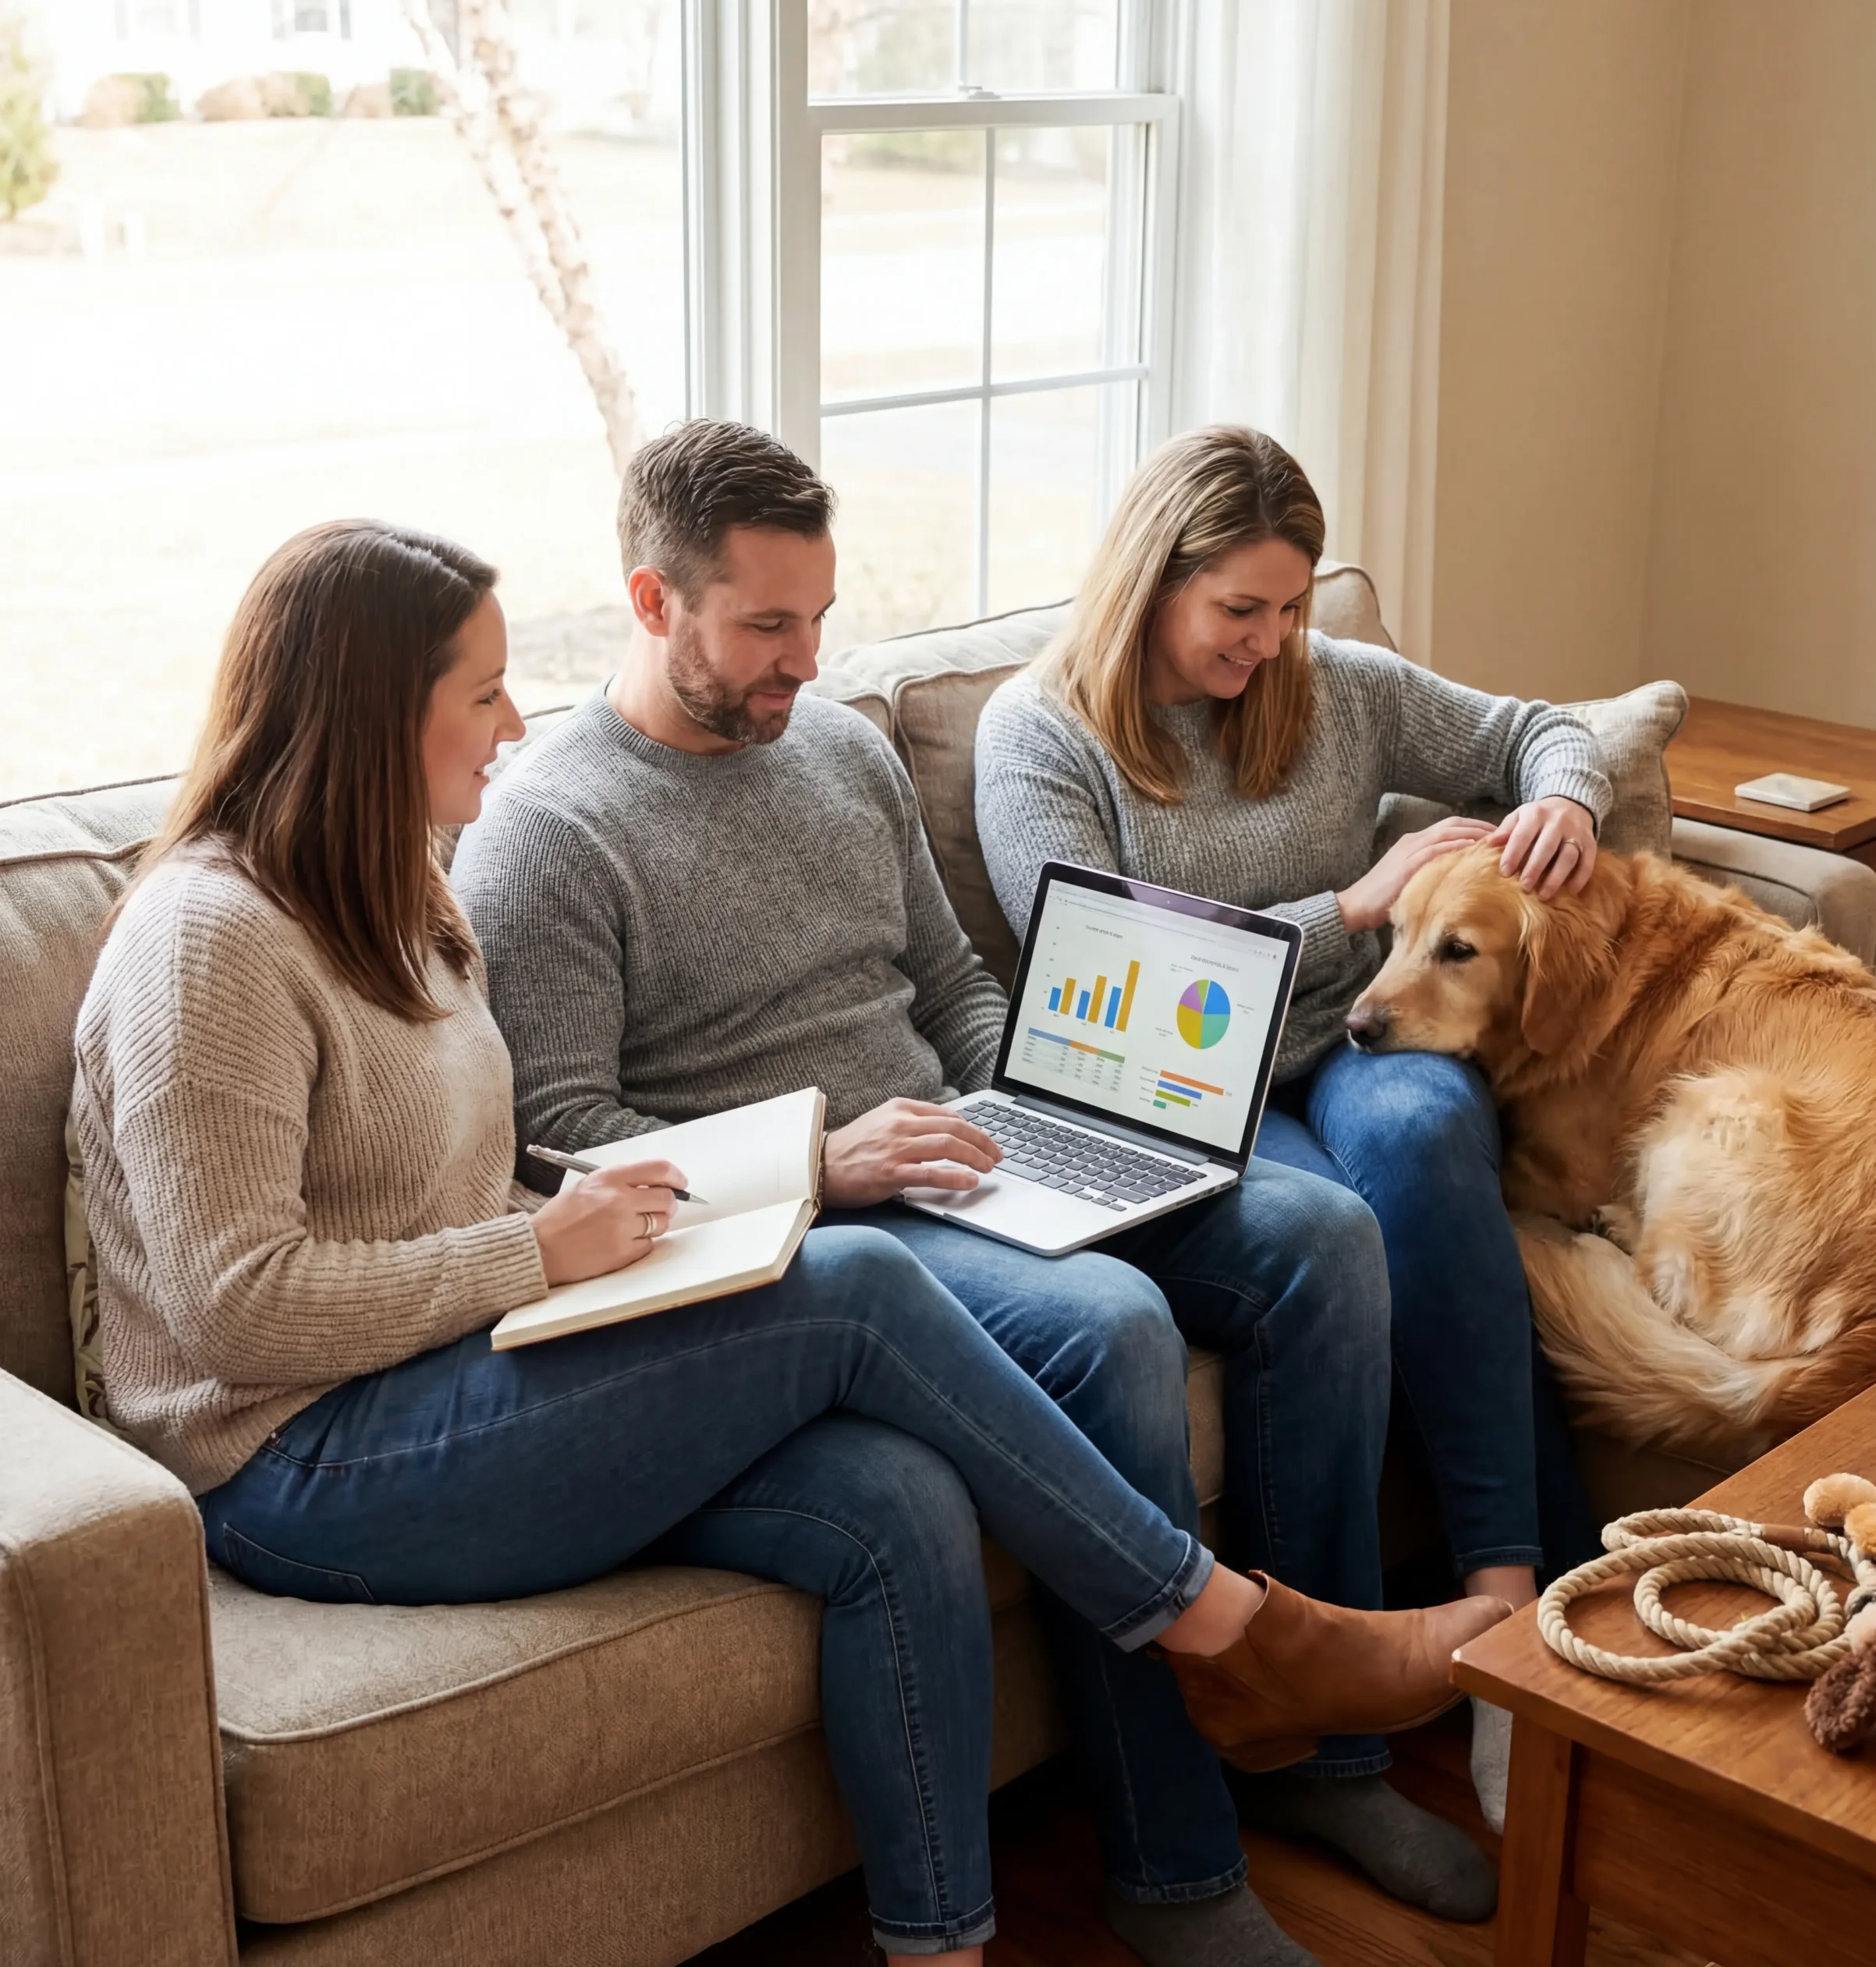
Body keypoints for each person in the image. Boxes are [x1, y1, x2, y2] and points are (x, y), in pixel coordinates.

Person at [70, 519, 1502, 1967]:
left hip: (467, 1361)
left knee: (893, 1495)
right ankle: (1229, 1632)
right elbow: (234, 1309)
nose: (513, 722)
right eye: (482, 693)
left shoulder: (400, 891)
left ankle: (941, 1947)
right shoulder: (211, 940)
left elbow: (466, 1190)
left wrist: (589, 1243)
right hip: (293, 1457)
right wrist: (551, 1251)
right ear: (372, 711)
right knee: (861, 1286)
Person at [450, 421, 1507, 1962]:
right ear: (650, 598)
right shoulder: (546, 831)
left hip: (971, 1151)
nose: (802, 660)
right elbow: (563, 1146)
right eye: (763, 625)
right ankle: (1174, 1868)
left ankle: (1322, 1753)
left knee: (1318, 1235)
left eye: (816, 617)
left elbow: (945, 980)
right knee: (1115, 1327)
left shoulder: (837, 748)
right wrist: (826, 1157)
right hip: (809, 1224)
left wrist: (1047, 1097)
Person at [973, 424, 1613, 1834]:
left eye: (1291, 608)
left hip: (1354, 1038)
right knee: (1336, 1240)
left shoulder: (1335, 690)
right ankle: (1354, 1730)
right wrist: (1357, 905)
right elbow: (1116, 981)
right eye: (1238, 611)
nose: (1269, 643)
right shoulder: (1039, 739)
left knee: (1432, 1137)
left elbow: (1533, 730)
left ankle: (1516, 1606)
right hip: (1185, 1091)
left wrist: (1565, 795)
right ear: (1151, 582)